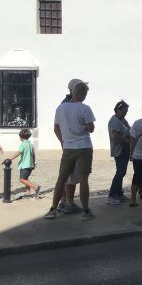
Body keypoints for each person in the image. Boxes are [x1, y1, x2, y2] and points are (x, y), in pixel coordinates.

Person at [45, 81, 95, 220]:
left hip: (68, 147)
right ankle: (86, 211)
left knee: (62, 178)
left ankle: (53, 209)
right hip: (84, 146)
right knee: (84, 179)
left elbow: (56, 128)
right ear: (83, 94)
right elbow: (91, 128)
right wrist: (83, 128)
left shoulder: (60, 108)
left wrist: (63, 141)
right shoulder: (85, 108)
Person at [106, 100, 131, 205]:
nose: (125, 113)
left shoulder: (122, 120)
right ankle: (112, 195)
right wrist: (128, 141)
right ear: (118, 110)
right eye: (124, 111)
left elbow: (130, 130)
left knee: (122, 172)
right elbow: (115, 136)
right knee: (120, 172)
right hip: (119, 150)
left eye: (126, 111)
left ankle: (119, 193)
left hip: (124, 149)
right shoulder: (114, 121)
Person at [5, 128, 40, 199]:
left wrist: (10, 158)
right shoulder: (30, 144)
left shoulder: (23, 144)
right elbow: (33, 154)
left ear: (20, 137)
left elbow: (18, 152)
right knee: (26, 178)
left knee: (22, 179)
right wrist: (33, 163)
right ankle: (28, 192)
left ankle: (35, 187)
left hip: (24, 165)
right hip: (30, 165)